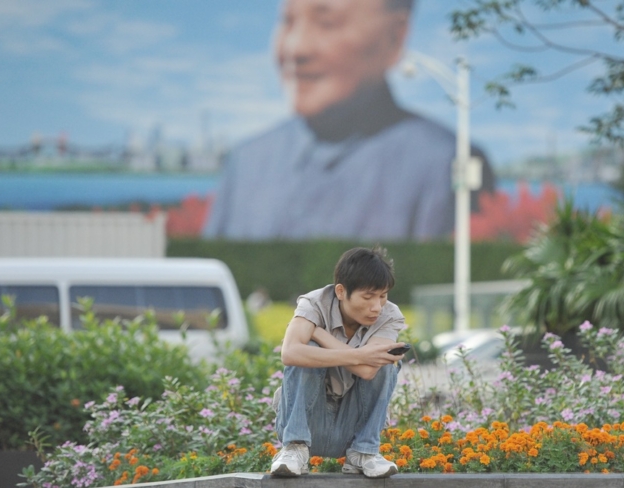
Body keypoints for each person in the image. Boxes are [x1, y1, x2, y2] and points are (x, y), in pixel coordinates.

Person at [202, 0, 495, 242]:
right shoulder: (247, 162)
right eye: (287, 21)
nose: (296, 48)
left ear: (395, 36)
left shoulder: (442, 165)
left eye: (327, 23)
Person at [270, 246, 408, 478]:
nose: (376, 307)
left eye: (382, 296)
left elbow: (367, 370)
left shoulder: (390, 315)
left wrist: (320, 334)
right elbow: (291, 353)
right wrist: (361, 354)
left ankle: (364, 453)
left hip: (352, 427)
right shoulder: (314, 304)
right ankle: (294, 448)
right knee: (307, 352)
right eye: (368, 297)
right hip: (309, 420)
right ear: (341, 291)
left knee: (385, 362)